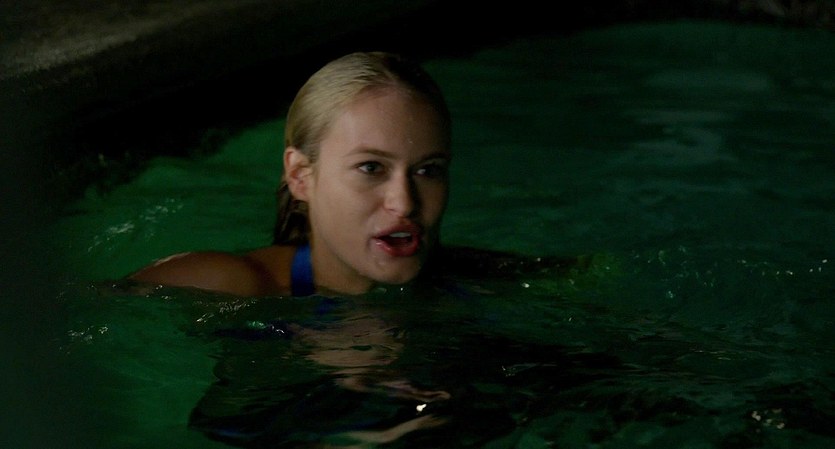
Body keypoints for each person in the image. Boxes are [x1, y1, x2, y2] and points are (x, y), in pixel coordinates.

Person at [130, 51, 576, 298]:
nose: (405, 203)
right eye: (371, 167)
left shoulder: (490, 285)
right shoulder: (228, 286)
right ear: (301, 176)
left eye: (428, 170)